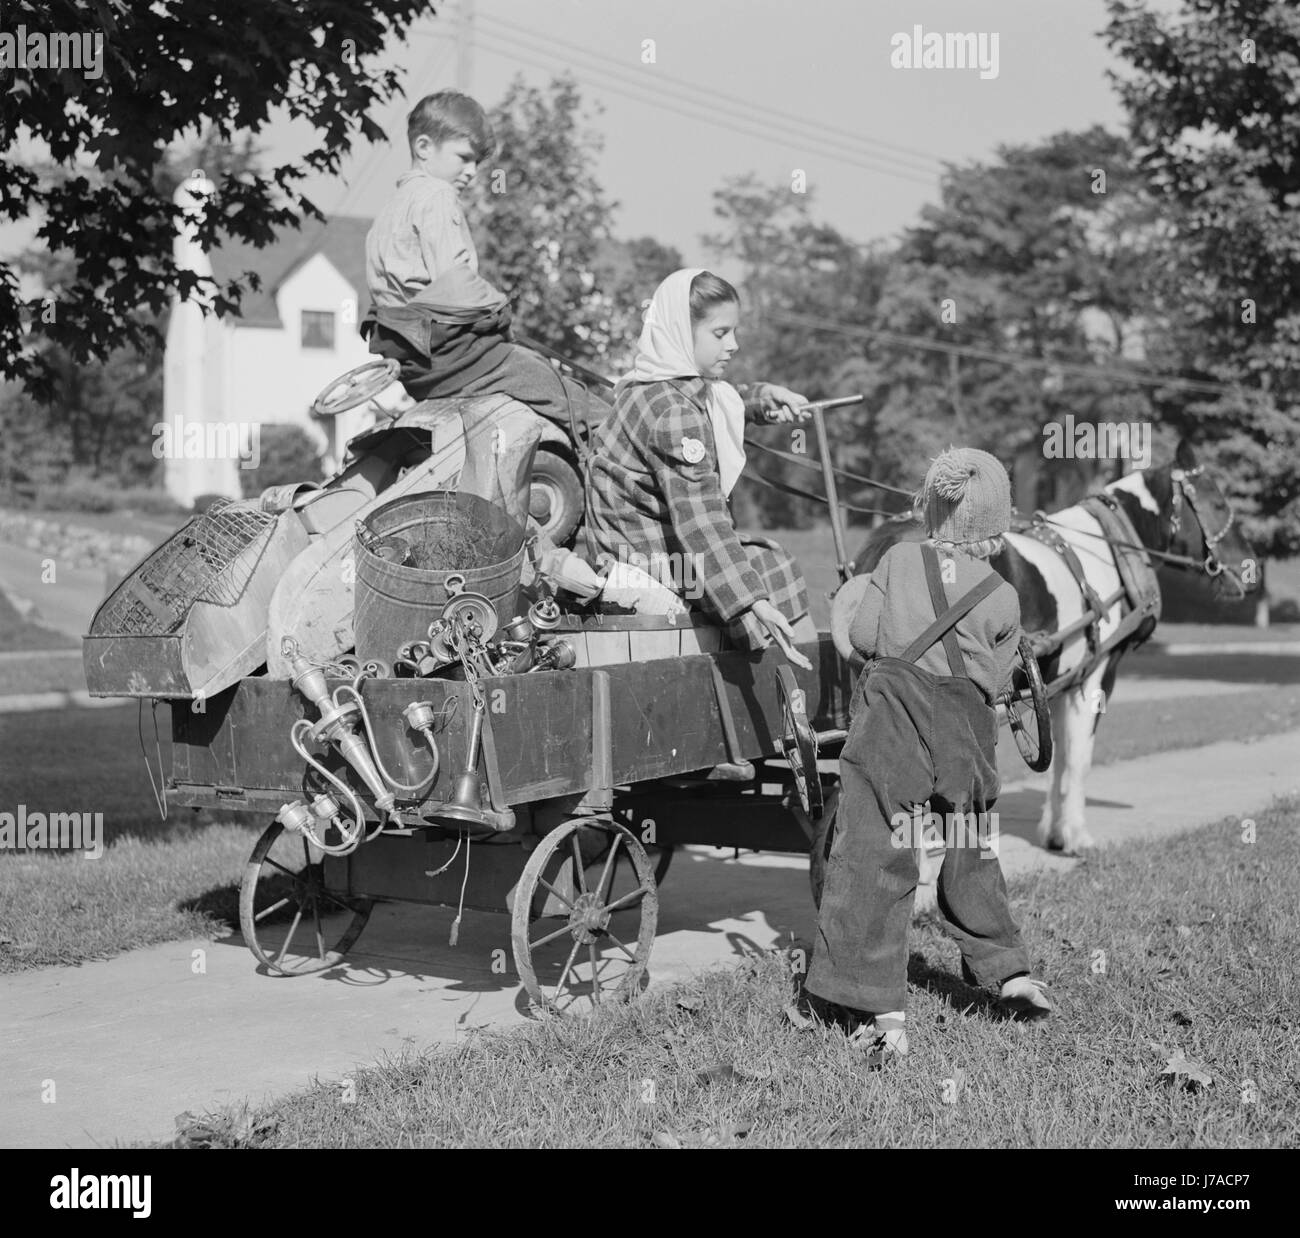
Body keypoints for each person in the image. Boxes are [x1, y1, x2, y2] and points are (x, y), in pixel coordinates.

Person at [798, 447, 1051, 1060]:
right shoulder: (1002, 594)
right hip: (964, 732)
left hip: (894, 723)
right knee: (970, 846)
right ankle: (1009, 970)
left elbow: (862, 636)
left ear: (930, 507)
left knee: (875, 850)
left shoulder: (898, 559)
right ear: (997, 522)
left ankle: (877, 1005)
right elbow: (997, 673)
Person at [586, 268, 817, 667]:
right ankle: (797, 698)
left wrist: (763, 399)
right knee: (772, 566)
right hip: (648, 562)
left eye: (734, 332)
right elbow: (702, 521)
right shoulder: (675, 414)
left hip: (621, 548)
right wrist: (752, 600)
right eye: (720, 333)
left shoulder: (647, 386)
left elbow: (717, 398)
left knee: (760, 562)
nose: (734, 344)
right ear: (681, 331)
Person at [361, 90, 602, 430]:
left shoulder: (388, 210)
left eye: (477, 162)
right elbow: (457, 285)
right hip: (451, 355)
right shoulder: (437, 195)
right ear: (424, 147)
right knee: (563, 391)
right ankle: (621, 450)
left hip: (411, 362)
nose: (472, 171)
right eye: (463, 157)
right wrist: (500, 319)